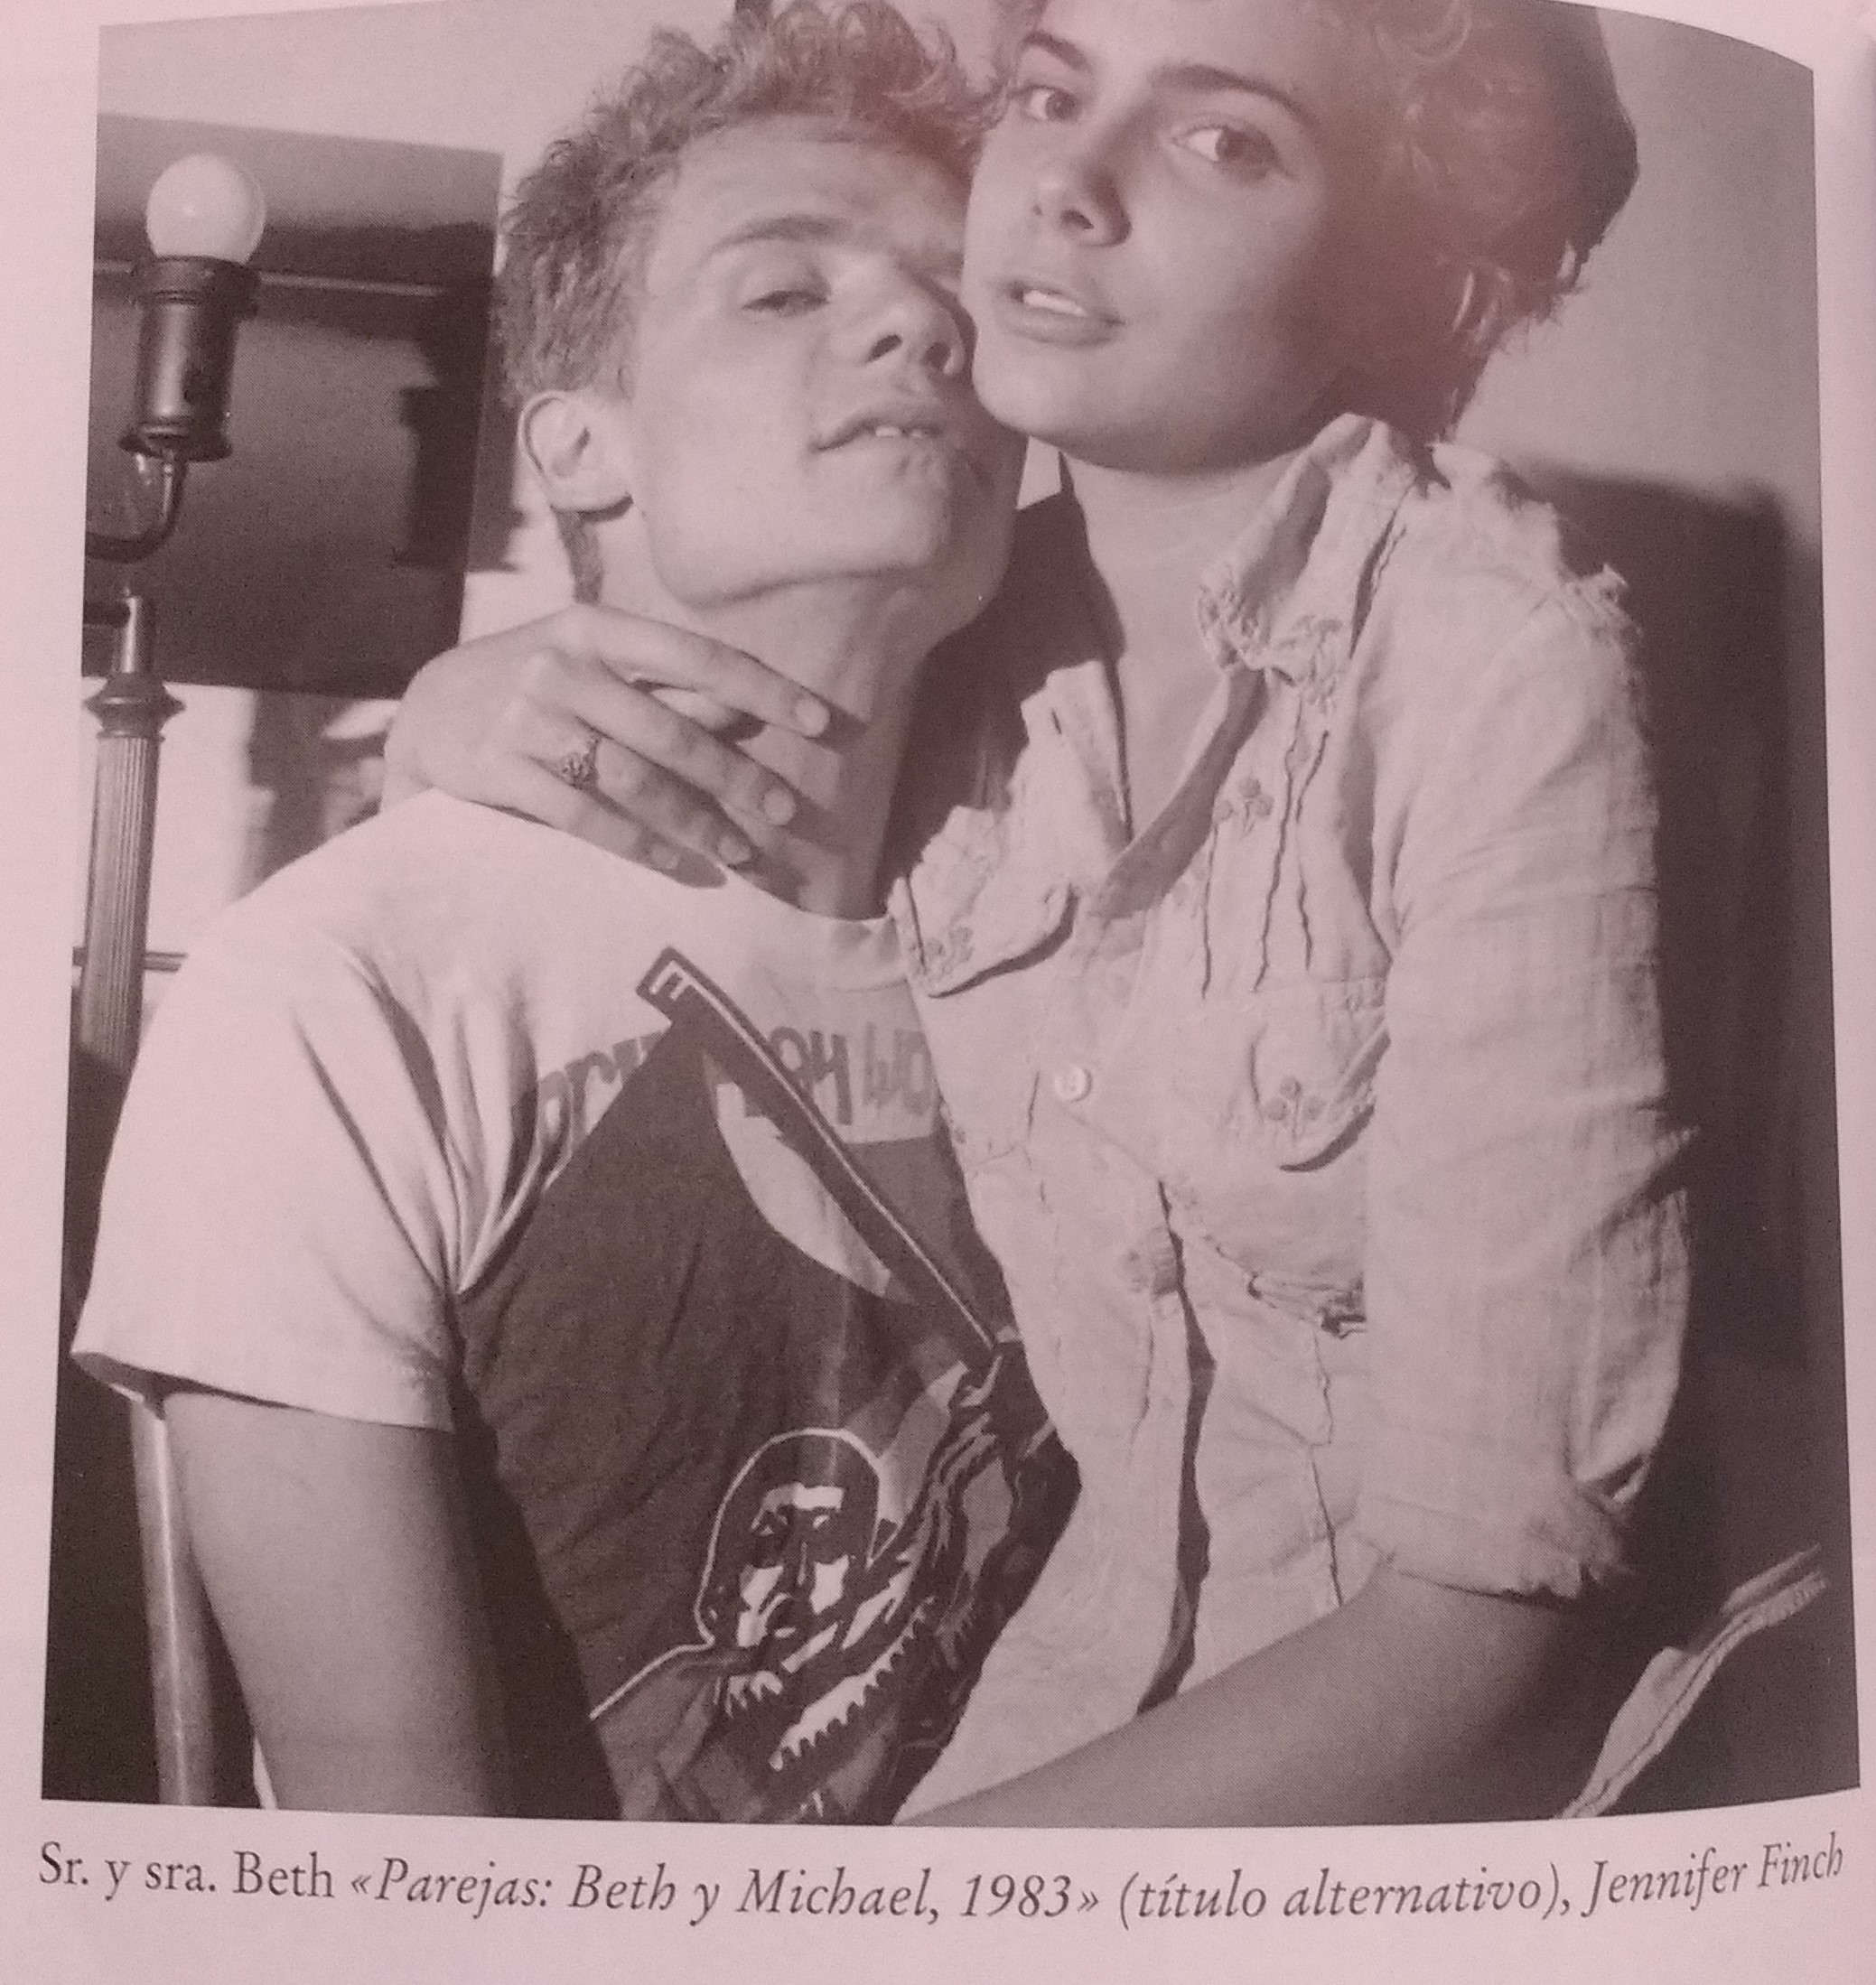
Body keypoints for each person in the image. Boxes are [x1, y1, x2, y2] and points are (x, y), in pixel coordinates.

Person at [387, 0, 1827, 1825]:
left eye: (1223, 140)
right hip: (1059, 1703)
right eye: (1052, 92)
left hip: (1492, 1791)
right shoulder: (947, 612)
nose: (1069, 181)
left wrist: (847, 1939)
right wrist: (447, 710)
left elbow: (1490, 1632)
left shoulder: (1497, 659)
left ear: (1396, 278)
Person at [74, 1, 1080, 1822]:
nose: (923, 327)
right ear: (578, 447)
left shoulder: (1087, 906)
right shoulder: (336, 994)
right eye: (784, 288)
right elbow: (407, 1888)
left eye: (961, 297)